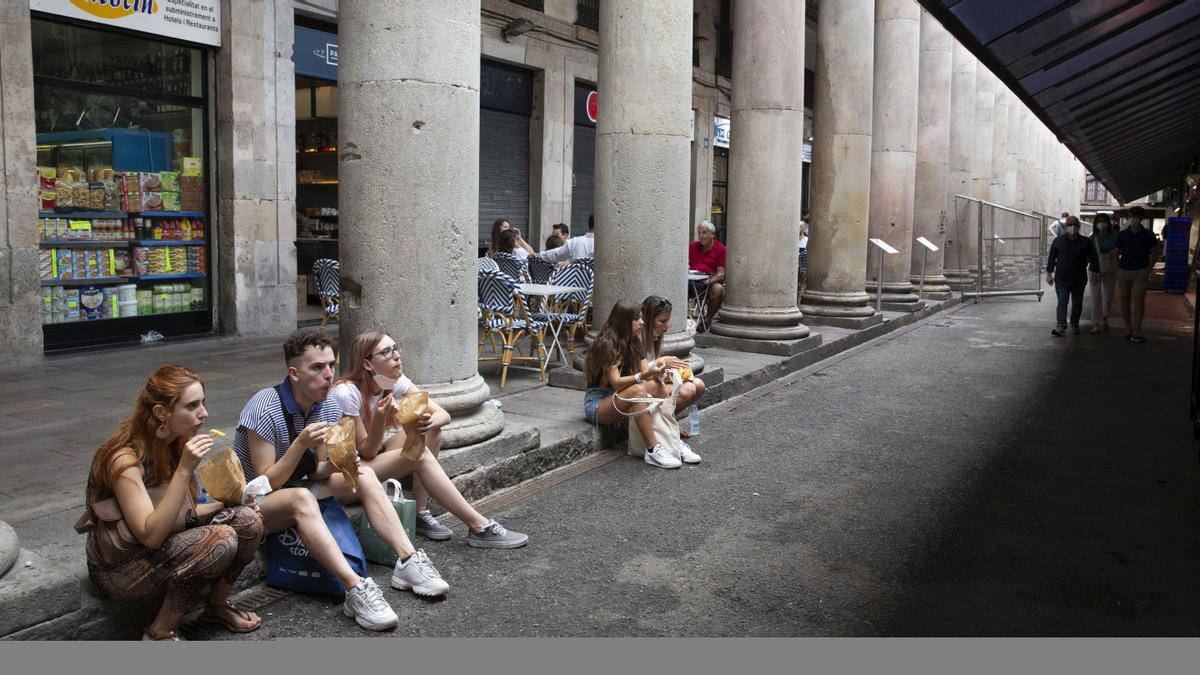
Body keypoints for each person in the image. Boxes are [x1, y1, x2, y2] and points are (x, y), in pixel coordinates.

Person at [233, 330, 447, 632]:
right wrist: (299, 445)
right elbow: (265, 483)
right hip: (258, 503)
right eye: (317, 368)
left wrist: (337, 464)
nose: (329, 375)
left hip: (301, 484)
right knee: (301, 498)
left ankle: (408, 561)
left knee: (365, 474)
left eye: (331, 365)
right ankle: (356, 588)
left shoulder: (328, 405)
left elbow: (319, 470)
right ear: (294, 373)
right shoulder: (264, 406)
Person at [84, 365, 264, 641]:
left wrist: (231, 502)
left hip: (165, 544)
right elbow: (151, 535)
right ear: (161, 413)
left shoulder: (175, 443)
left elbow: (185, 516)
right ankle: (159, 631)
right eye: (191, 406)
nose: (203, 413)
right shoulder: (124, 458)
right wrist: (184, 469)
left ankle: (216, 606)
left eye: (203, 403)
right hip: (121, 568)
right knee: (221, 538)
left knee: (247, 520)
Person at [332, 330, 527, 548]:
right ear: (367, 364)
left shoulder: (390, 380)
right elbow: (365, 452)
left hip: (374, 456)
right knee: (419, 453)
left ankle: (419, 512)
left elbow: (443, 415)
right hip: (351, 472)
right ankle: (479, 525)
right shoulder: (346, 393)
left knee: (431, 429)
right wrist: (379, 418)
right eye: (386, 352)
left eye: (396, 348)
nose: (396, 356)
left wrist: (428, 422)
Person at [584, 300, 684, 469]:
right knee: (637, 391)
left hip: (620, 396)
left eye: (641, 318)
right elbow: (616, 383)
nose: (642, 322)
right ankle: (653, 450)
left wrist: (659, 373)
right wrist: (644, 375)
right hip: (598, 404)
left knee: (656, 386)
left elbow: (647, 374)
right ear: (623, 321)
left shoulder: (634, 341)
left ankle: (673, 438)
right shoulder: (606, 343)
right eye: (637, 318)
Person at [640, 295, 706, 444]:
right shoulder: (637, 338)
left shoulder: (654, 338)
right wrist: (661, 363)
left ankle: (666, 424)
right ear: (649, 320)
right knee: (688, 389)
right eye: (662, 321)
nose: (666, 326)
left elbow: (652, 370)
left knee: (699, 385)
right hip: (641, 386)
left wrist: (670, 372)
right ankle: (665, 427)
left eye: (667, 321)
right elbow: (641, 374)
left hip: (651, 382)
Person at [1045, 216, 1100, 337]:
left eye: (1075, 224)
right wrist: (1049, 273)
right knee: (1062, 302)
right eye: (1070, 225)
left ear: (1079, 227)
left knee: (1077, 303)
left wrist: (1095, 273)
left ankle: (1074, 324)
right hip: (1062, 278)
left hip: (1079, 279)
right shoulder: (1058, 241)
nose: (1072, 227)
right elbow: (1051, 258)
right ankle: (1061, 326)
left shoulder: (1086, 242)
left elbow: (1093, 257)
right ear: (1066, 226)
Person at [1114, 206, 1160, 343]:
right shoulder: (1122, 234)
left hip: (1141, 271)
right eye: (1131, 216)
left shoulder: (1149, 235)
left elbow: (1154, 253)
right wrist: (1117, 269)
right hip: (1124, 270)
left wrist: (1148, 269)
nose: (1132, 219)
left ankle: (1137, 330)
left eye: (1135, 216)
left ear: (1141, 218)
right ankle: (1128, 329)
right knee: (1124, 300)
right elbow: (1116, 253)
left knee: (1139, 300)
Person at [688, 220, 726, 327]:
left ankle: (707, 319)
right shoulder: (693, 247)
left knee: (718, 289)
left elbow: (721, 274)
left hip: (708, 283)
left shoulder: (721, 249)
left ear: (712, 234)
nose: (701, 236)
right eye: (699, 233)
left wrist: (706, 282)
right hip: (691, 281)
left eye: (704, 233)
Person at [1088, 214, 1119, 333]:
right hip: (1094, 270)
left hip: (1110, 269)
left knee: (1108, 296)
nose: (1101, 224)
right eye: (1099, 221)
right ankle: (1095, 322)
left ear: (1108, 223)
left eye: (1104, 221)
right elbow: (1089, 256)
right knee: (1095, 297)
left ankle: (1105, 318)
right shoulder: (1092, 238)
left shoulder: (1115, 236)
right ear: (1095, 224)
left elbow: (1119, 250)